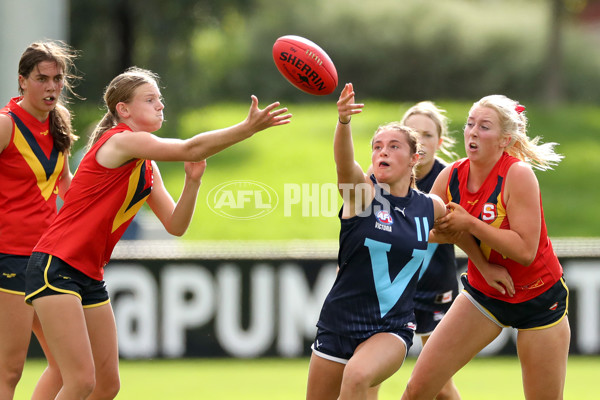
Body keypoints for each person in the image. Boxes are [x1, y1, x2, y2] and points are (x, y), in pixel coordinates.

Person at [24, 66, 292, 399]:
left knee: (107, 385)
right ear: (123, 110)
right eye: (150, 99)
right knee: (79, 380)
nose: (160, 105)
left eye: (160, 99)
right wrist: (247, 128)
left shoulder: (146, 167)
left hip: (88, 274)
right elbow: (191, 148)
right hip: (56, 265)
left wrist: (193, 183)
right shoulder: (121, 141)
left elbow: (176, 226)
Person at [402, 95, 569, 400]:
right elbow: (435, 231)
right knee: (417, 390)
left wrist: (471, 224)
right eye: (469, 123)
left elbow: (524, 250)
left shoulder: (517, 174)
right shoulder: (451, 175)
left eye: (484, 126)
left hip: (539, 298)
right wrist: (480, 262)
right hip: (485, 294)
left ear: (505, 139)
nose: (473, 131)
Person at [305, 83, 447, 400]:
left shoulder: (431, 207)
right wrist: (343, 123)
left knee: (357, 376)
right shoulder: (363, 197)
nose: (382, 151)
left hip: (392, 328)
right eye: (377, 146)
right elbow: (344, 165)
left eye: (394, 146)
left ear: (415, 158)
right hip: (338, 323)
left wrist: (486, 265)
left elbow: (463, 230)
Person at [0, 40, 81, 400]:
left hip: (46, 260)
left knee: (68, 367)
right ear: (22, 81)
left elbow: (67, 187)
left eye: (58, 79)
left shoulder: (58, 123)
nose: (51, 87)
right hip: (9, 256)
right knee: (9, 369)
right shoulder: (6, 125)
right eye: (41, 78)